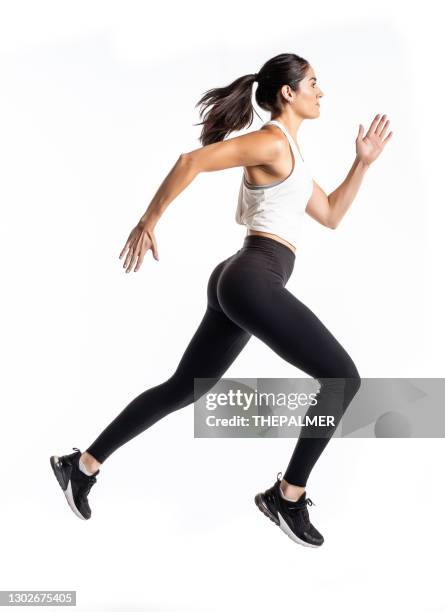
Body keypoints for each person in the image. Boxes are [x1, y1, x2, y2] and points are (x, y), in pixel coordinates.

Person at [50, 52, 393, 547]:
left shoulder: (290, 154)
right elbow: (191, 161)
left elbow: (332, 214)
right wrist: (148, 220)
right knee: (342, 378)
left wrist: (361, 164)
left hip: (243, 278)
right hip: (253, 278)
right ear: (288, 93)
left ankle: (80, 466)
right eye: (314, 83)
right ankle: (288, 497)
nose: (322, 92)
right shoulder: (271, 142)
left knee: (183, 387)